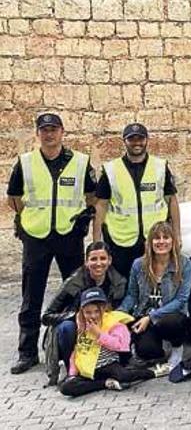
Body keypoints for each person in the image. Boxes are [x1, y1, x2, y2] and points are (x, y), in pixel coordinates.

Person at [8, 113, 96, 374]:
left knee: (75, 292)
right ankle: (27, 352)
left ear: (62, 132)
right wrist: (27, 220)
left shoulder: (80, 162)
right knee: (31, 294)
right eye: (44, 130)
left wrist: (83, 216)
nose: (49, 134)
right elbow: (13, 197)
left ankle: (78, 344)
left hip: (69, 235)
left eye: (54, 129)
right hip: (37, 238)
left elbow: (92, 195)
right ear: (38, 133)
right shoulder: (25, 163)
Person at [92, 123, 180, 279]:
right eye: (132, 139)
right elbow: (101, 206)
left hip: (153, 239)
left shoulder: (160, 167)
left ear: (147, 140)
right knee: (123, 285)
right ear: (124, 142)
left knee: (153, 282)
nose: (137, 143)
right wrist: (96, 242)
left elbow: (172, 201)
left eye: (140, 138)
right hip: (120, 240)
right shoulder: (111, 169)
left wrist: (177, 235)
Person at [42, 241, 127, 381]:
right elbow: (46, 316)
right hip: (77, 328)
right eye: (93, 259)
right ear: (86, 262)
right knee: (66, 328)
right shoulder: (73, 282)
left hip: (104, 328)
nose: (98, 263)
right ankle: (72, 371)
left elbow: (119, 311)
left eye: (103, 258)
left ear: (110, 260)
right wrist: (74, 316)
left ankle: (114, 363)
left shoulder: (119, 282)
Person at [59, 288, 165, 397]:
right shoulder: (81, 324)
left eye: (96, 311)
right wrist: (72, 374)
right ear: (82, 311)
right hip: (88, 369)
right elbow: (77, 351)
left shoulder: (114, 323)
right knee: (66, 388)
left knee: (124, 376)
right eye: (88, 312)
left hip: (108, 365)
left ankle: (152, 373)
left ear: (103, 308)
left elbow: (119, 345)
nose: (93, 316)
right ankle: (104, 384)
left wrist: (99, 334)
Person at [120, 221, 191, 368]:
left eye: (166, 237)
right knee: (146, 351)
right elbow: (132, 295)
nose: (161, 241)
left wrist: (151, 317)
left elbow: (181, 299)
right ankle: (158, 346)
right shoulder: (138, 265)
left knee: (171, 323)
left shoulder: (184, 263)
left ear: (173, 241)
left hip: (171, 315)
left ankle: (177, 347)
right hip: (144, 315)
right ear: (150, 242)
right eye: (156, 238)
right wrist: (120, 312)